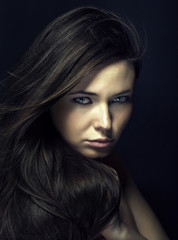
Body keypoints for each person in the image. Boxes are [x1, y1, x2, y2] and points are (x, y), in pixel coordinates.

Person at [0, 6, 169, 240]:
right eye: (83, 100)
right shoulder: (57, 198)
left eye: (119, 99)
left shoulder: (106, 160)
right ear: (48, 98)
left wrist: (119, 231)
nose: (105, 123)